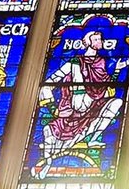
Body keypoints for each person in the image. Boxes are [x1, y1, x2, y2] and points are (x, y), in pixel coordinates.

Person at [35, 26, 121, 171]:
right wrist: (53, 109)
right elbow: (48, 84)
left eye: (100, 39)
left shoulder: (101, 62)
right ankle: (48, 162)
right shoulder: (74, 62)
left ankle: (93, 138)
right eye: (96, 39)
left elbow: (107, 87)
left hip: (94, 108)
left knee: (117, 102)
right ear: (89, 43)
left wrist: (117, 69)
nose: (100, 42)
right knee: (50, 131)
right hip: (72, 109)